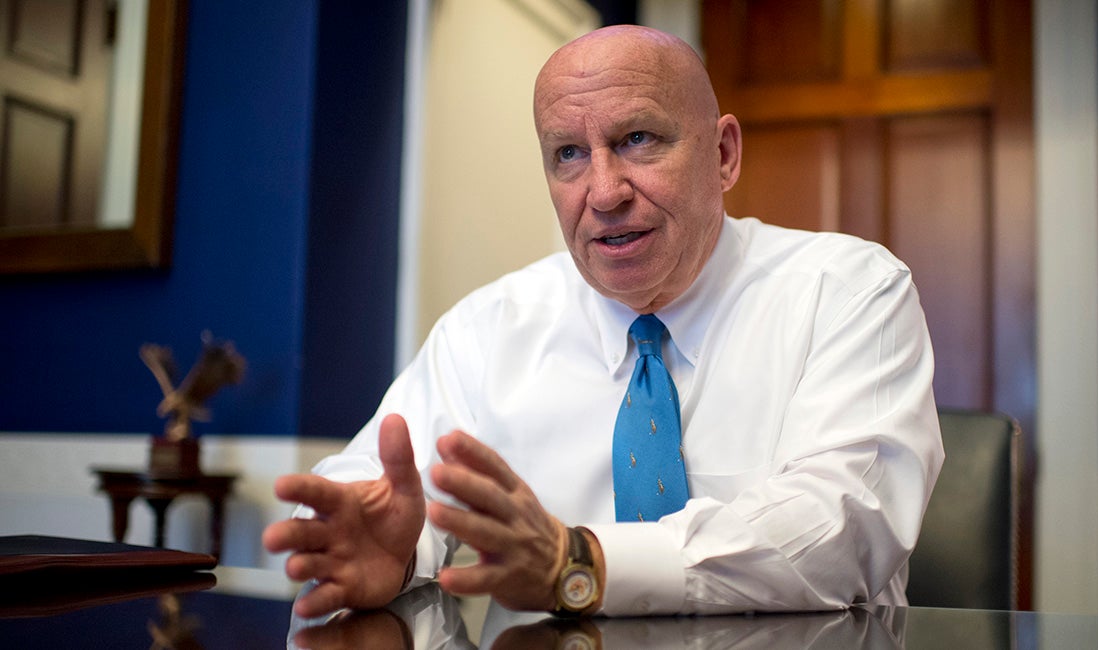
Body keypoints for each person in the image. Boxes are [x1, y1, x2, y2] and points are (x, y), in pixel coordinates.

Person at [263, 24, 943, 619]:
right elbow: (373, 490)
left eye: (638, 139)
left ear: (723, 154)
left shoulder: (847, 293)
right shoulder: (489, 329)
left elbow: (842, 527)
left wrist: (581, 563)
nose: (605, 192)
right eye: (568, 154)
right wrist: (393, 547)